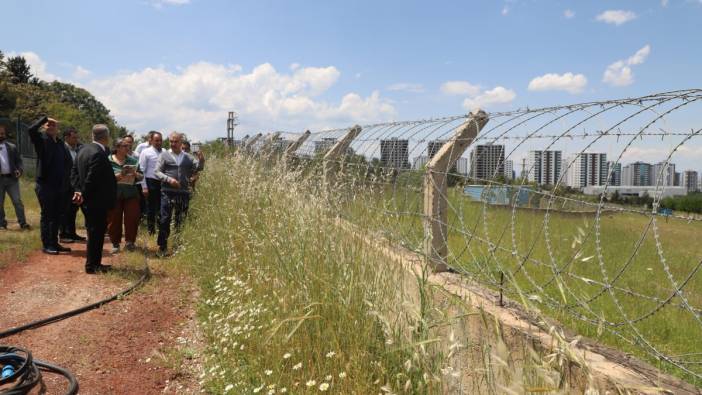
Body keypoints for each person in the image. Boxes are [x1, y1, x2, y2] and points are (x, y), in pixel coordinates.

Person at [71, 124, 117, 274]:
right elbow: (92, 178)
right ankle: (92, 266)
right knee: (96, 233)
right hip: (95, 201)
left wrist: (78, 191)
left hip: (87, 200)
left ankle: (94, 263)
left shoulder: (82, 150)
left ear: (93, 135)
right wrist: (82, 193)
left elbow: (74, 173)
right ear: (106, 137)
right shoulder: (99, 153)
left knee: (94, 232)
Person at [27, 116, 72, 255]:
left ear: (57, 128)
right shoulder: (41, 140)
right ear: (44, 127)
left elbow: (68, 162)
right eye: (48, 125)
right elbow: (31, 129)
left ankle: (54, 242)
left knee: (57, 215)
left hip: (60, 185)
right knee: (47, 215)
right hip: (45, 185)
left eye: (54, 125)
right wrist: (45, 119)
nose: (52, 127)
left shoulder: (60, 143)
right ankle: (47, 244)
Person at [154, 131, 202, 255]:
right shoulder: (164, 155)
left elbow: (198, 168)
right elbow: (157, 172)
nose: (173, 144)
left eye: (176, 141)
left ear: (181, 142)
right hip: (167, 192)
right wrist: (169, 180)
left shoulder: (188, 157)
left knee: (180, 220)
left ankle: (177, 245)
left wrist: (202, 160)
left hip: (183, 193)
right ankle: (162, 247)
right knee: (165, 219)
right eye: (171, 141)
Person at [108, 137, 143, 253]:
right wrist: (120, 175)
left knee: (132, 218)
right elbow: (104, 178)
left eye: (128, 146)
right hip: (114, 194)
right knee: (114, 219)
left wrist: (135, 173)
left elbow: (141, 177)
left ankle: (130, 242)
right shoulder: (108, 161)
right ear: (117, 148)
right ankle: (115, 243)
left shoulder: (133, 161)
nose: (128, 148)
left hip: (131, 194)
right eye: (125, 146)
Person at [0, 122, 29, 230]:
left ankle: (23, 223)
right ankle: (1, 224)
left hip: (12, 179)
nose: (1, 135)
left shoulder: (12, 147)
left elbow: (19, 162)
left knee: (17, 201)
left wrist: (19, 170)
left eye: (2, 133)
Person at [59, 128, 86, 242]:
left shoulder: (77, 150)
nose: (76, 139)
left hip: (75, 185)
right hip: (65, 185)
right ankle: (63, 234)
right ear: (66, 138)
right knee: (65, 210)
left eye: (76, 137)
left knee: (73, 210)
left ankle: (72, 233)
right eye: (74, 137)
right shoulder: (61, 149)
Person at [138, 131, 163, 234]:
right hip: (150, 182)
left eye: (160, 140)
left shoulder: (165, 152)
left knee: (162, 207)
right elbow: (142, 170)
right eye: (156, 140)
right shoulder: (146, 152)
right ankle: (151, 230)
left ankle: (161, 229)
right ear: (151, 141)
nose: (159, 142)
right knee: (151, 208)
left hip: (162, 182)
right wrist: (144, 186)